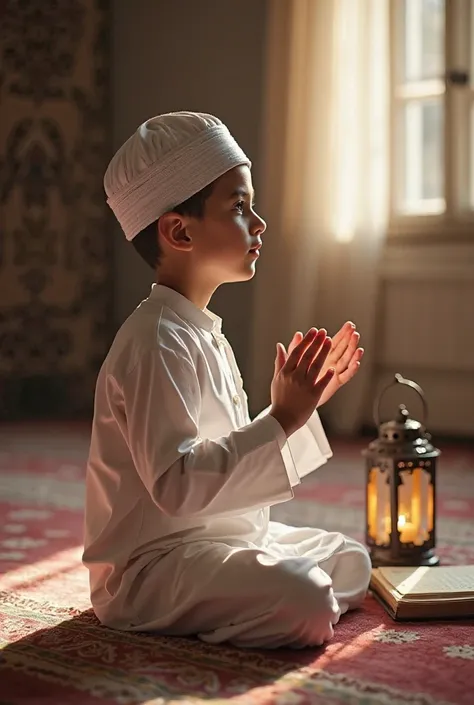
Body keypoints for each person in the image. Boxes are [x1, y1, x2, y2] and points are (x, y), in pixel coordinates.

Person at [83, 111, 371, 649]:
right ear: (180, 231)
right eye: (240, 208)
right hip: (153, 568)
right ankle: (265, 607)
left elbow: (226, 460)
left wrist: (296, 414)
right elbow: (177, 485)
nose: (259, 223)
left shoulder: (204, 331)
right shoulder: (154, 341)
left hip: (221, 540)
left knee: (350, 558)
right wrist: (281, 417)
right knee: (306, 596)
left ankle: (257, 601)